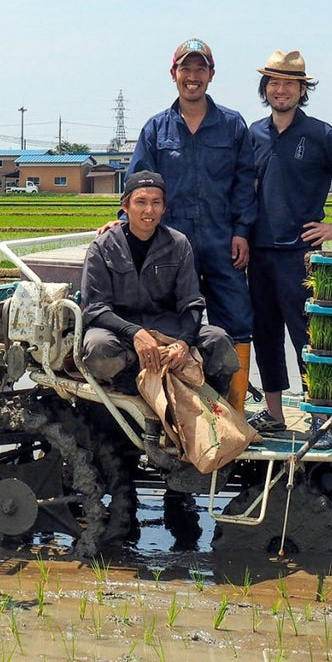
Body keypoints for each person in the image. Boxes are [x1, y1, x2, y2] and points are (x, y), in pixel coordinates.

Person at [125, 38, 256, 412]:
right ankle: (177, 411)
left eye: (200, 69)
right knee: (173, 324)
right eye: (186, 69)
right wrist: (122, 225)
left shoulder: (231, 125)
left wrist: (242, 230)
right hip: (171, 247)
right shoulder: (156, 129)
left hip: (221, 242)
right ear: (174, 74)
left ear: (211, 75)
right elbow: (139, 182)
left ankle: (235, 411)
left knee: (236, 323)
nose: (193, 77)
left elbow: (245, 183)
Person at [247, 49, 332, 436]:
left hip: (299, 255)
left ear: (303, 90)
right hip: (257, 253)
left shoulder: (319, 133)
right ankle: (274, 414)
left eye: (289, 83)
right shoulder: (252, 134)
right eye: (274, 82)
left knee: (307, 335)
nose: (280, 89)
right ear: (264, 88)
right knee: (265, 334)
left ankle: (320, 413)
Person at [80, 170, 239, 396]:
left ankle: (213, 403)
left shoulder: (178, 244)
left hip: (166, 326)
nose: (149, 210)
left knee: (218, 340)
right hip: (118, 329)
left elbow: (192, 303)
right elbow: (95, 309)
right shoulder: (103, 247)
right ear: (125, 207)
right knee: (98, 348)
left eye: (156, 203)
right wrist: (135, 333)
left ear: (164, 208)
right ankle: (129, 384)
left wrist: (184, 342)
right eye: (140, 202)